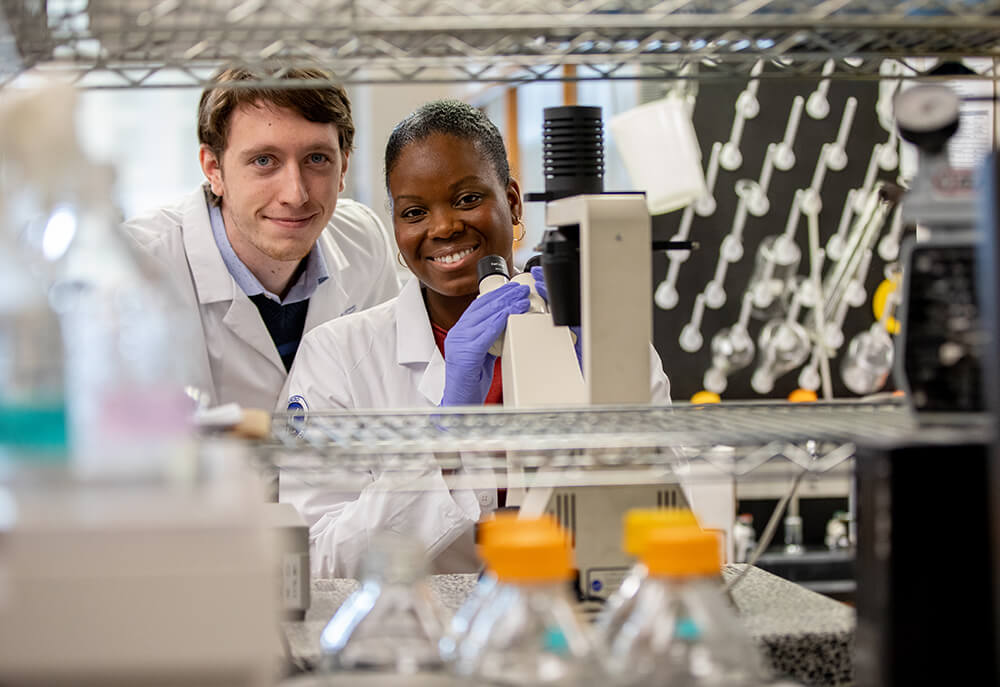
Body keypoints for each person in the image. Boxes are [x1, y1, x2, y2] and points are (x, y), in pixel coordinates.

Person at [280, 99, 672, 578]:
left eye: (468, 199)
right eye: (415, 211)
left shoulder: (600, 337)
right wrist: (442, 441)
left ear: (511, 200)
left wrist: (608, 394)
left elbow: (666, 518)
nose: (443, 227)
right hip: (418, 634)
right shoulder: (339, 356)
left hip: (574, 619)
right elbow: (317, 562)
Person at [122, 64, 400, 411]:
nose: (295, 194)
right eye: (264, 160)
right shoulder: (140, 263)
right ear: (213, 169)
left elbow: (388, 401)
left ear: (343, 167)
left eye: (317, 158)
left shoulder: (363, 241)